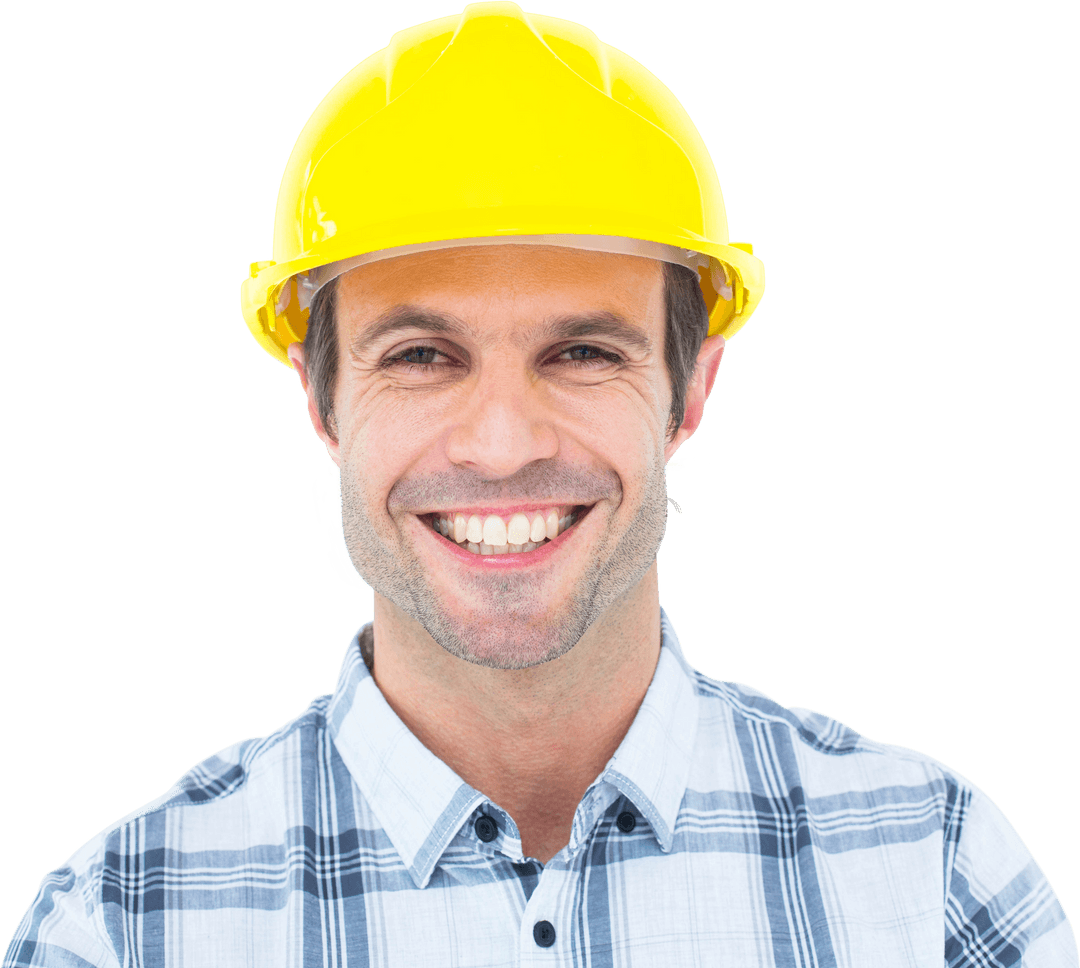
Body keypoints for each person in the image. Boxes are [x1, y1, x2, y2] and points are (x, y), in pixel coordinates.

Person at [5, 3, 1075, 965]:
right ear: (322, 400)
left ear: (689, 389)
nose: (504, 444)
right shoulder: (124, 923)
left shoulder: (933, 874)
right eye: (422, 354)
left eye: (582, 353)